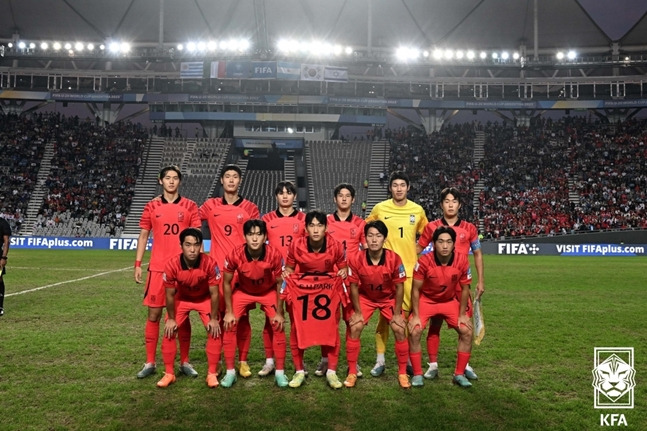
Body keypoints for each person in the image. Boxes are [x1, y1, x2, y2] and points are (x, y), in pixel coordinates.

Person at [134, 166, 201, 379]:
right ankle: (150, 362)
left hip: (183, 270)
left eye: (175, 178)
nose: (171, 181)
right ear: (160, 181)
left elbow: (196, 238)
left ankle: (185, 362)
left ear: (179, 181)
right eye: (167, 178)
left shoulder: (190, 205)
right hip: (157, 269)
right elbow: (144, 235)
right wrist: (137, 264)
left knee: (183, 317)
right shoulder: (151, 206)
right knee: (153, 315)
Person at [199, 164, 262, 378]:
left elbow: (256, 239)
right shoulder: (210, 205)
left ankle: (242, 362)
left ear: (240, 181)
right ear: (222, 181)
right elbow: (191, 219)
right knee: (216, 317)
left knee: (241, 318)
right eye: (228, 176)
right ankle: (216, 363)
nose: (231, 180)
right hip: (216, 272)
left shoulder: (250, 208)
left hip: (241, 272)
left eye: (235, 176)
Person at [415, 187, 485, 380]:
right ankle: (433, 365)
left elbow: (477, 253)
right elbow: (418, 248)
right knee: (434, 325)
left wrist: (480, 280)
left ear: (459, 205)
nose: (450, 204)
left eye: (454, 201)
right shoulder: (432, 227)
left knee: (464, 324)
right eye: (447, 201)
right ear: (441, 205)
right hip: (436, 283)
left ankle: (465, 365)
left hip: (460, 285)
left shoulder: (469, 228)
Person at [365, 171, 428, 376]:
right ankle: (380, 360)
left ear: (408, 188)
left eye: (402, 185)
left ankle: (408, 359)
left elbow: (427, 233)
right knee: (385, 317)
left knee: (406, 317)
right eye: (395, 185)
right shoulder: (380, 208)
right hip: (384, 272)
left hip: (409, 273)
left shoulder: (417, 210)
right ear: (390, 188)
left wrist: (416, 250)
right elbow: (365, 230)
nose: (399, 188)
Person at [283, 210, 347, 389]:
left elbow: (343, 268)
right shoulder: (296, 245)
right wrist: (287, 274)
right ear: (306, 228)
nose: (316, 229)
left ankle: (332, 371)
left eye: (320, 225)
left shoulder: (335, 246)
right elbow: (289, 269)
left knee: (331, 329)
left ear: (326, 228)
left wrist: (342, 272)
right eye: (312, 225)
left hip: (327, 292)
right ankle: (299, 370)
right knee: (297, 328)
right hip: (303, 291)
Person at [221, 219, 288, 388]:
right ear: (244, 237)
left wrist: (280, 311)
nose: (255, 239)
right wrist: (228, 311)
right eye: (251, 234)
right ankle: (230, 372)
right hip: (243, 292)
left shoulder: (274, 254)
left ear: (265, 236)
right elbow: (226, 282)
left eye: (259, 234)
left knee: (277, 324)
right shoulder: (235, 254)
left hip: (267, 292)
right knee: (230, 323)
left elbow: (281, 283)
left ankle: (280, 372)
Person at [345, 221, 411, 389]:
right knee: (355, 327)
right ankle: (352, 371)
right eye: (370, 236)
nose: (374, 240)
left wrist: (397, 313)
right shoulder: (356, 258)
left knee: (399, 328)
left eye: (378, 236)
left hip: (387, 298)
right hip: (366, 297)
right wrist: (358, 312)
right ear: (365, 239)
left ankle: (402, 373)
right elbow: (353, 285)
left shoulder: (394, 258)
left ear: (384, 239)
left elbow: (399, 286)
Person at [408, 226, 473, 388]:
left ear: (454, 244)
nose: (445, 246)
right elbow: (415, 289)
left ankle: (458, 374)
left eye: (449, 242)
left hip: (449, 301)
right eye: (441, 242)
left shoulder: (462, 260)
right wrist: (415, 315)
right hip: (427, 300)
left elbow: (465, 289)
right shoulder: (423, 261)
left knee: (466, 331)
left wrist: (463, 314)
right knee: (415, 330)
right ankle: (417, 373)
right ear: (434, 243)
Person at [156, 228, 222, 388]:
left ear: (201, 246)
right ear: (181, 246)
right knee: (169, 330)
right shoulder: (172, 265)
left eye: (196, 245)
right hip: (182, 299)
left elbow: (214, 294)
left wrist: (213, 319)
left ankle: (212, 373)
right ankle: (169, 373)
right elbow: (170, 295)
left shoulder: (210, 263)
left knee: (214, 330)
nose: (192, 249)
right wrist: (171, 319)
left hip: (203, 298)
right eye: (188, 245)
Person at [260, 181, 306, 377]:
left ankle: (299, 364)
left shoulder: (304, 219)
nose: (285, 196)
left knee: (297, 322)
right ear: (276, 196)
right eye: (281, 193)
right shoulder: (267, 219)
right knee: (271, 320)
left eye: (289, 193)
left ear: (295, 196)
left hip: (297, 279)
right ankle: (270, 361)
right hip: (273, 277)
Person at [324, 183, 366, 377]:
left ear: (353, 200)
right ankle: (326, 360)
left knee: (351, 321)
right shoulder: (325, 222)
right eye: (340, 195)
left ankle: (353, 362)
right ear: (335, 199)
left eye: (347, 196)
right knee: (329, 322)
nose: (343, 199)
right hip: (329, 279)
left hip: (351, 281)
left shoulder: (360, 223)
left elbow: (365, 252)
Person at [0, 216, 11, 317]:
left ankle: (0, 306)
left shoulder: (3, 223)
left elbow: (6, 241)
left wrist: (4, 257)